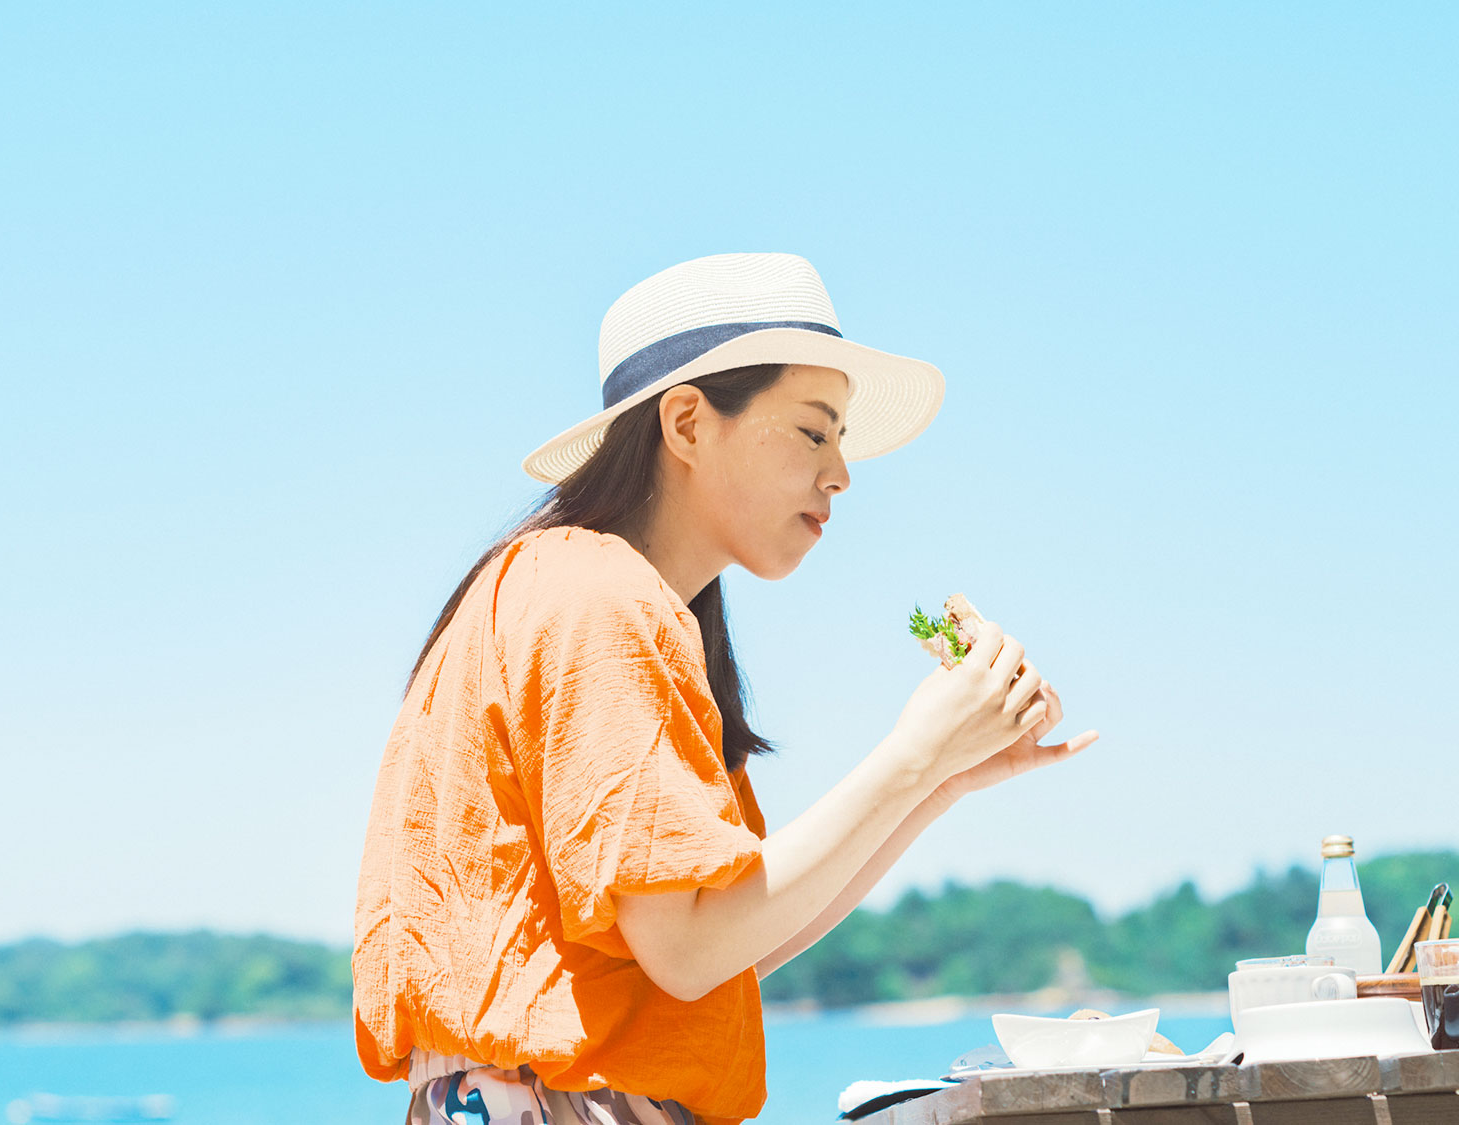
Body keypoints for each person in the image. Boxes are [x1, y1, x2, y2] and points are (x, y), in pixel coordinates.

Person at [352, 253, 1099, 1125]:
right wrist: (914, 753)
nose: (841, 473)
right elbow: (691, 944)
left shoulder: (563, 584)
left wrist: (942, 778)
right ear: (688, 422)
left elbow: (728, 945)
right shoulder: (601, 597)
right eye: (814, 432)